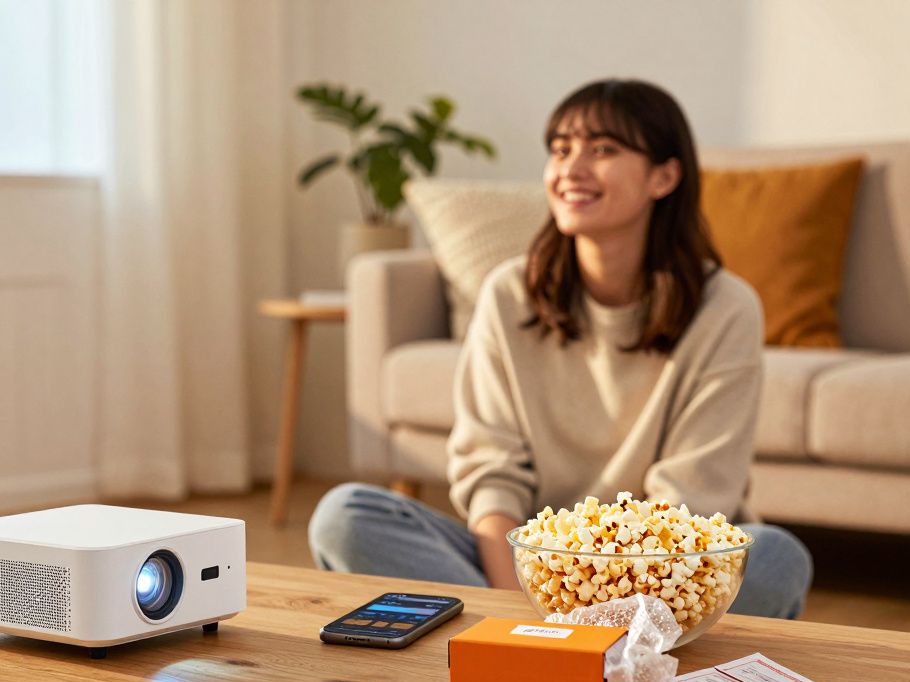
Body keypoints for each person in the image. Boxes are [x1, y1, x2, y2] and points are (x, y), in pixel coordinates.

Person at [308, 79, 812, 620]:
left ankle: (532, 643)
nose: (570, 169)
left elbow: (686, 505)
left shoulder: (725, 306)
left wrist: (597, 610)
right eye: (561, 149)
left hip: (663, 580)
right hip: (524, 574)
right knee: (345, 515)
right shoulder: (508, 293)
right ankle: (556, 646)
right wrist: (527, 606)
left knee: (777, 556)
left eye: (602, 149)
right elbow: (491, 473)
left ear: (664, 176)